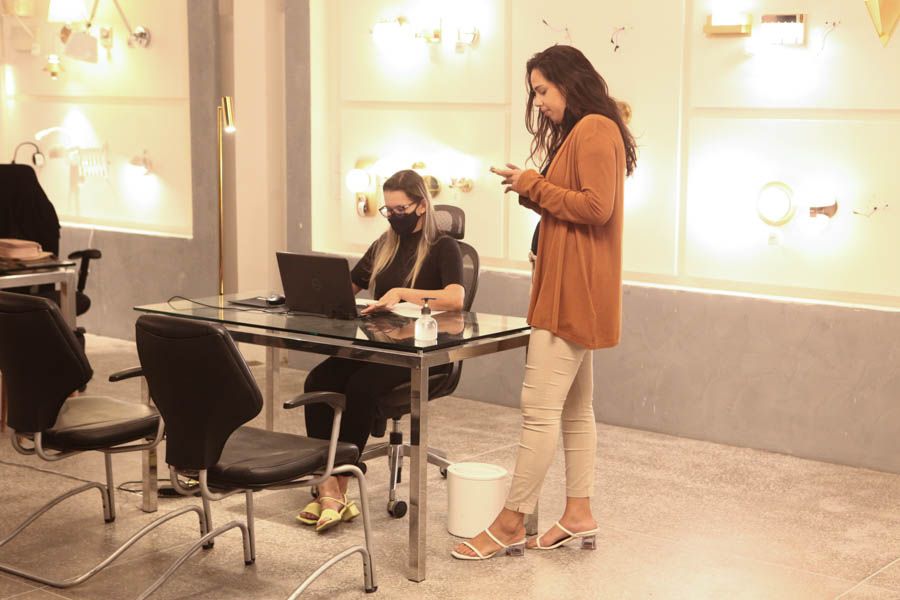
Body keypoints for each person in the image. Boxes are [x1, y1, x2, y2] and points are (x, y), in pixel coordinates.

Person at [452, 45, 637, 560]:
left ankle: (511, 522)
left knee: (538, 412)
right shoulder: (592, 129)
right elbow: (573, 202)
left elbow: (596, 208)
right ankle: (578, 514)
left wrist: (534, 182)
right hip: (573, 289)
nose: (538, 102)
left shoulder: (594, 128)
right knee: (576, 409)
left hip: (569, 293)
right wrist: (530, 188)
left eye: (542, 90)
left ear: (569, 83)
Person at [299, 169, 465, 532]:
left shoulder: (443, 247)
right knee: (318, 379)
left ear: (421, 206)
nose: (393, 216)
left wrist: (403, 294)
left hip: (420, 352)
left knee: (360, 387)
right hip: (378, 343)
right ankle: (327, 482)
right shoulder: (384, 244)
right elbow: (351, 285)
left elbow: (455, 298)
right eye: (388, 210)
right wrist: (318, 294)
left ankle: (339, 486)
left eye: (400, 209)